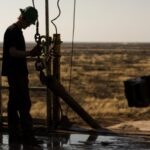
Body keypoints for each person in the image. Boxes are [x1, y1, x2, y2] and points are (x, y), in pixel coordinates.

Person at [1, 6, 42, 145]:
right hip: (16, 73)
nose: (29, 26)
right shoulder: (13, 32)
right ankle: (28, 137)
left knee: (13, 105)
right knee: (24, 104)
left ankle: (15, 137)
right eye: (29, 23)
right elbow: (12, 52)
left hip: (15, 73)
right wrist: (30, 53)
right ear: (24, 19)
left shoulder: (15, 31)